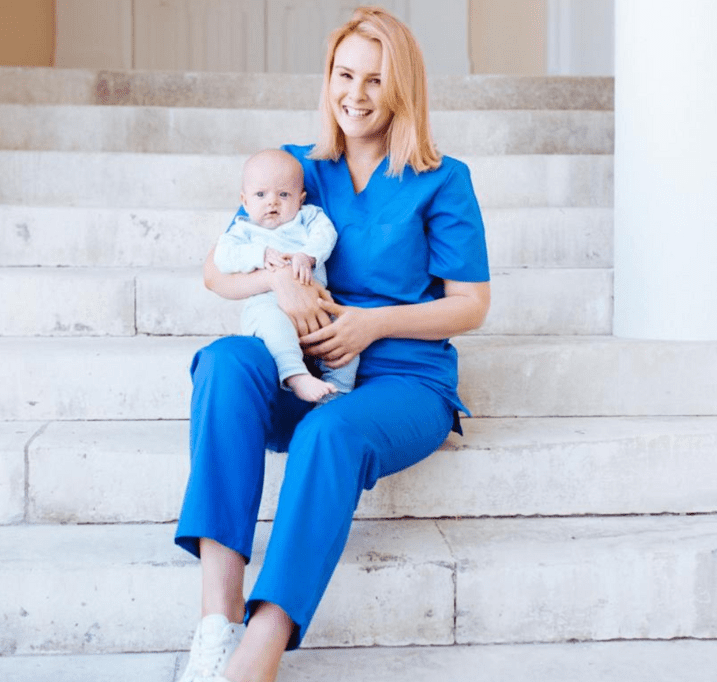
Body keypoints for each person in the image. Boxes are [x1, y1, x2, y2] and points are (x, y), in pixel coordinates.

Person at [173, 6, 490, 682]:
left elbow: (471, 305)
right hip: (305, 368)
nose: (355, 94)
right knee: (226, 364)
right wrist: (277, 285)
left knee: (329, 434)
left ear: (402, 87)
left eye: (375, 80)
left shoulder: (443, 177)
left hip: (404, 381)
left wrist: (372, 324)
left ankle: (256, 658)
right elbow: (214, 271)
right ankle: (216, 620)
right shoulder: (293, 168)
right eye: (344, 75)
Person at [214, 148, 358, 403]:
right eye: (261, 194)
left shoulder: (309, 218)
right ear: (244, 201)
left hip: (316, 304)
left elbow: (326, 235)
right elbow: (223, 258)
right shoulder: (243, 231)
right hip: (266, 303)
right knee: (275, 326)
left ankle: (338, 391)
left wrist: (308, 255)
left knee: (345, 336)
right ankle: (295, 375)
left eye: (283, 194)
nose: (272, 202)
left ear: (300, 199)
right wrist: (259, 254)